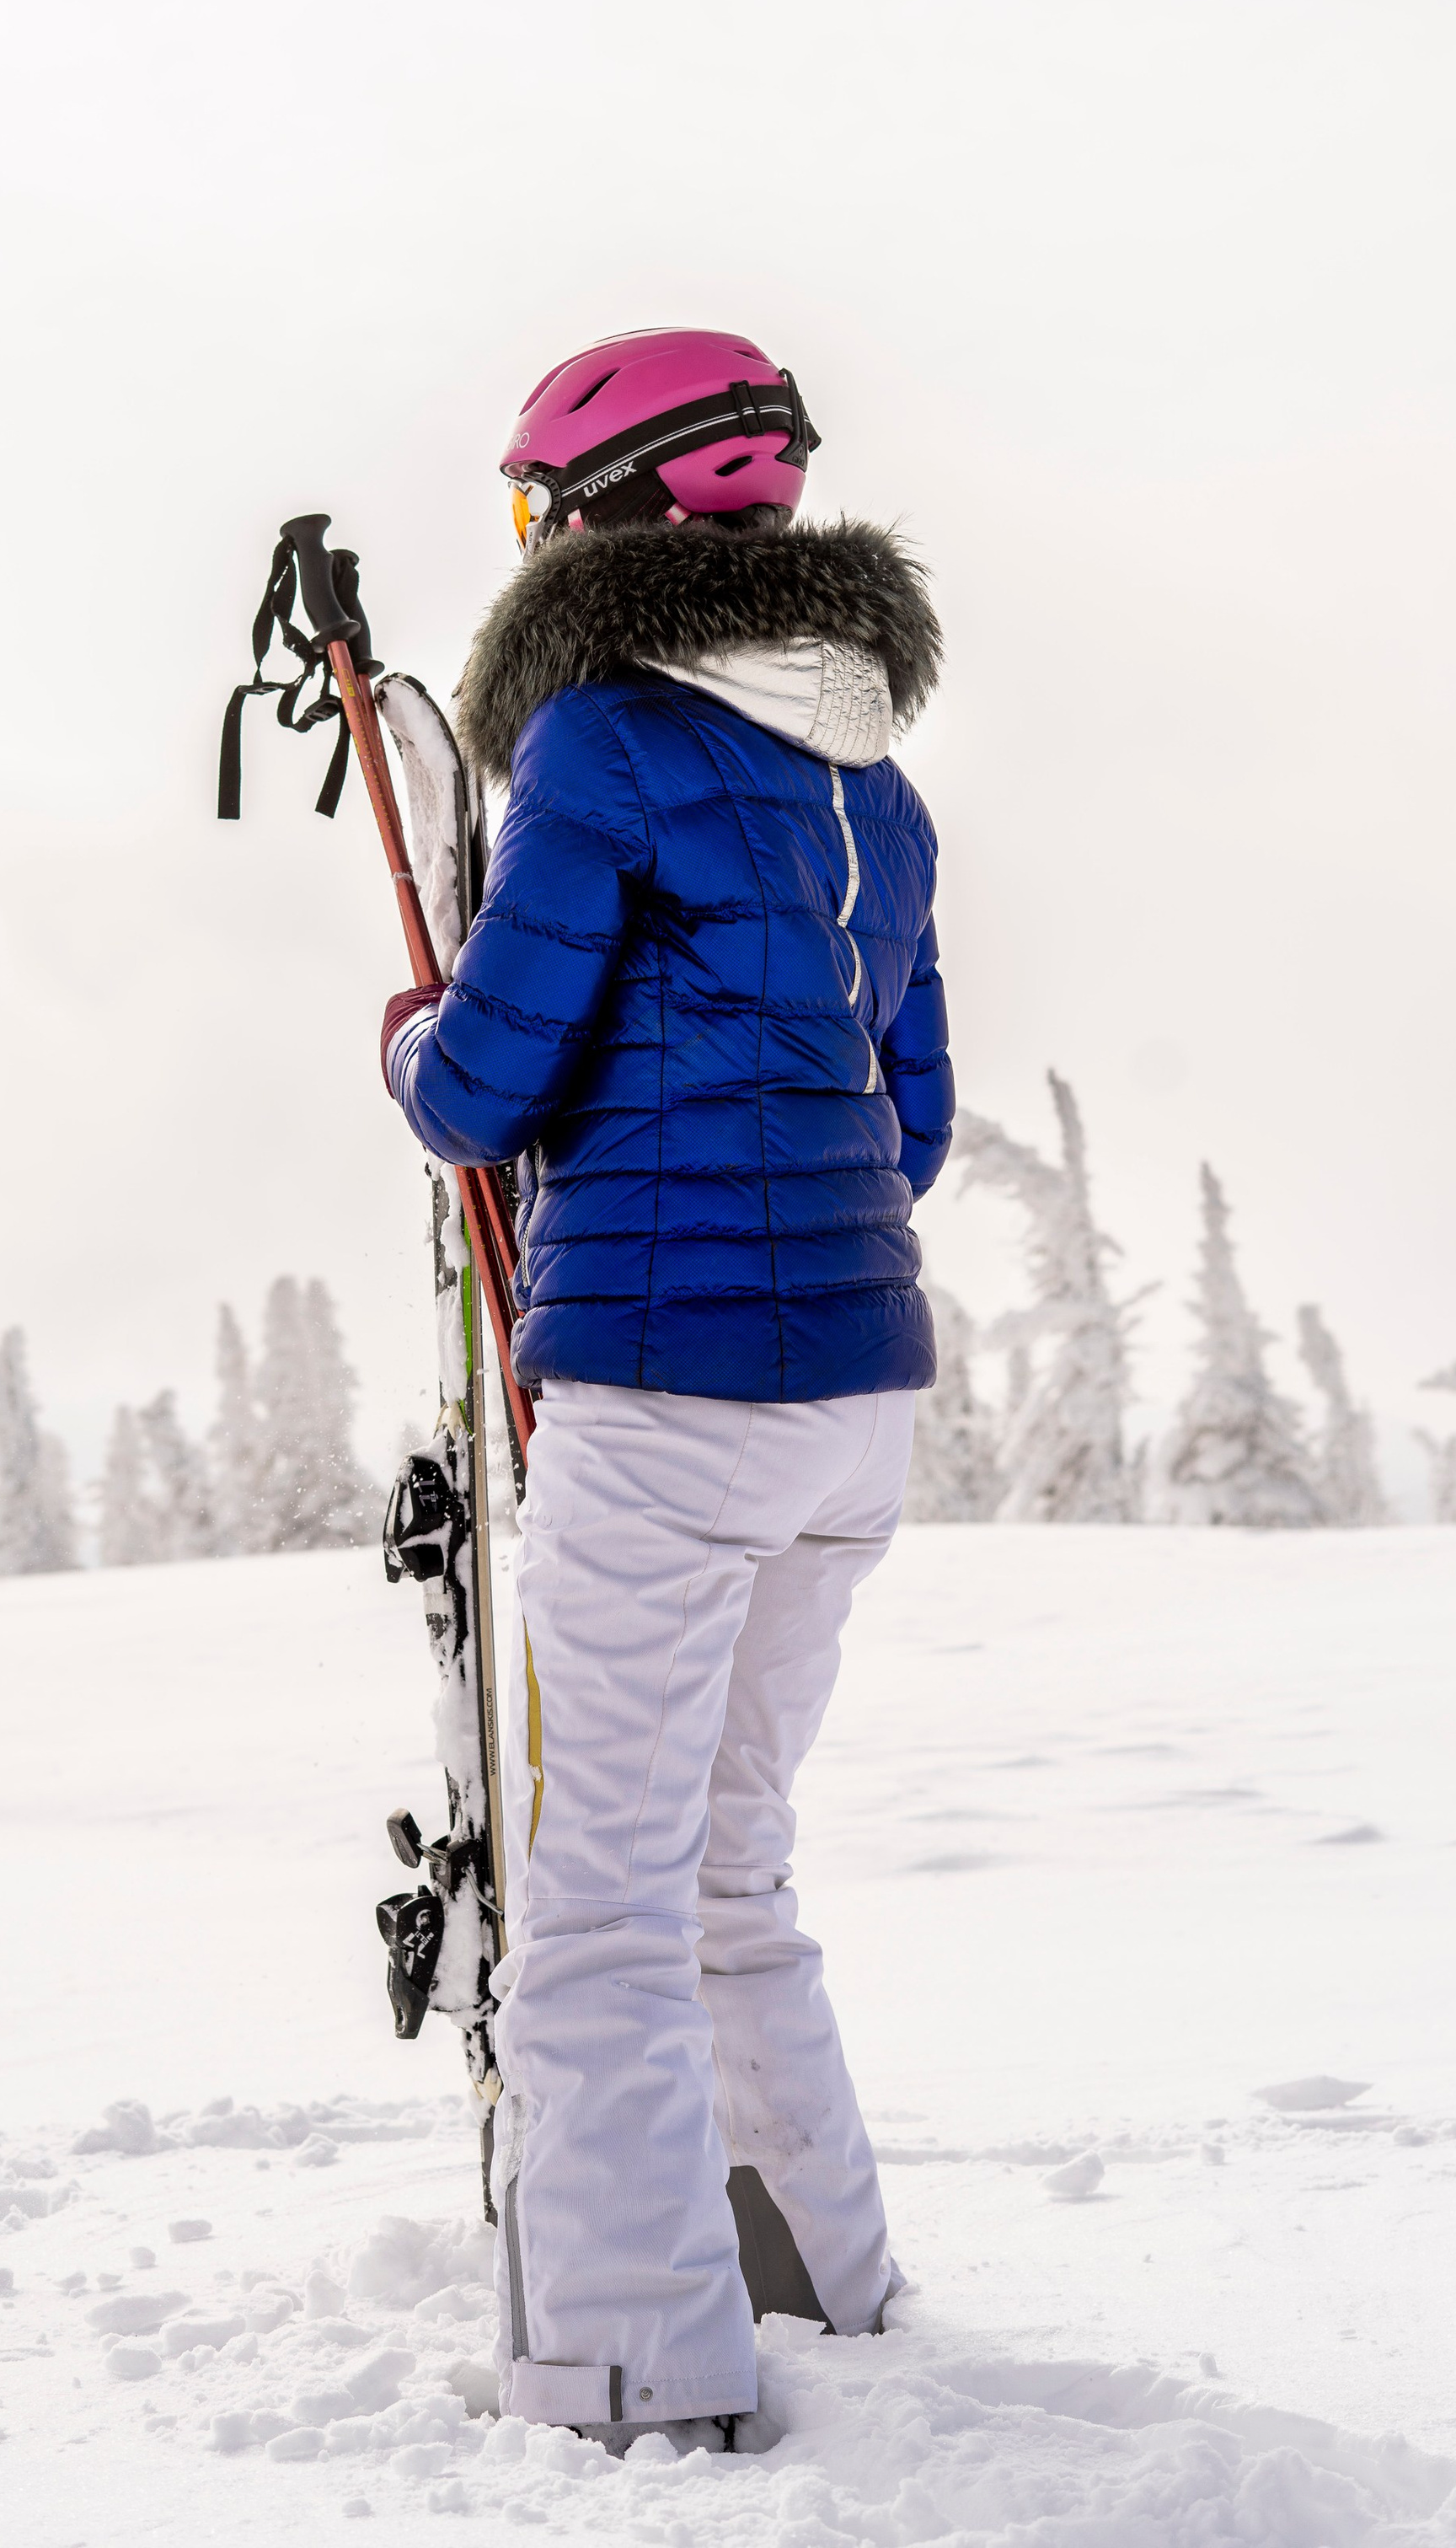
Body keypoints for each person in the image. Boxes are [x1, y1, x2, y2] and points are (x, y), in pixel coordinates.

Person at [379, 326, 950, 2448]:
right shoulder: (872, 786)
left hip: (655, 1394)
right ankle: (822, 2276)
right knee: (736, 1869)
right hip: (854, 1412)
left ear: (601, 517)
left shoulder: (601, 753)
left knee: (602, 1902)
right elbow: (913, 1124)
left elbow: (482, 1086)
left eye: (536, 513)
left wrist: (402, 1054)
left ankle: (626, 2361)